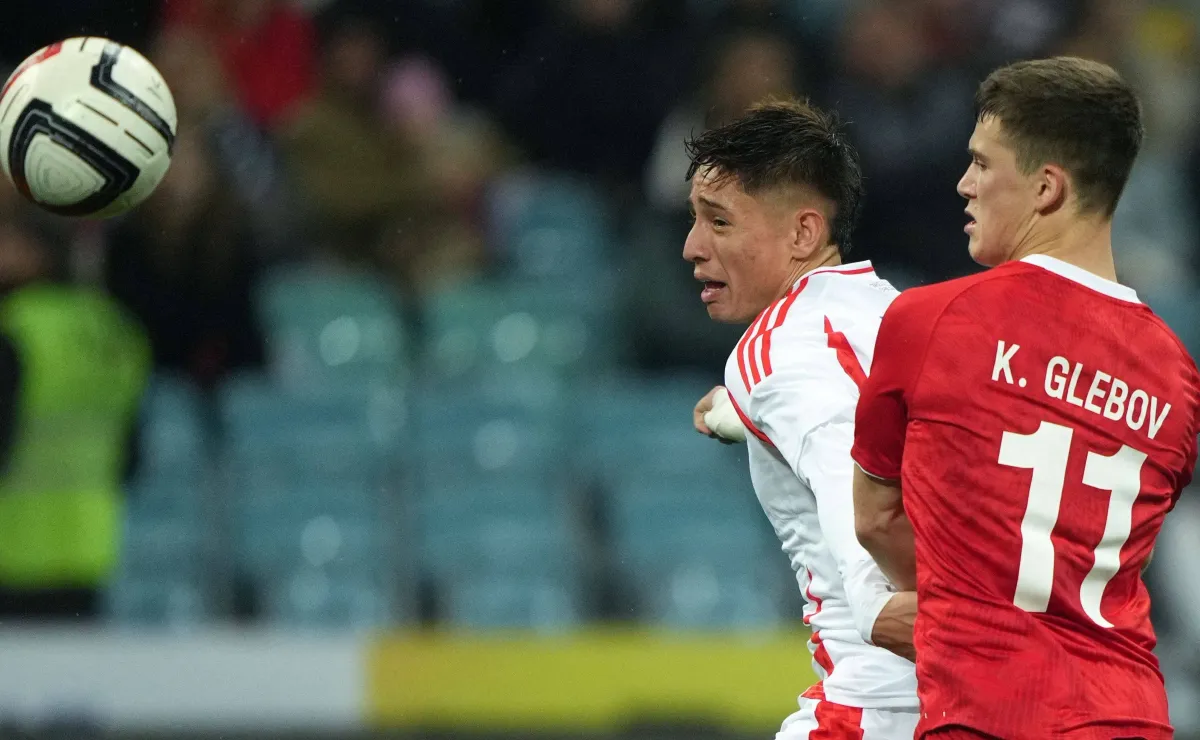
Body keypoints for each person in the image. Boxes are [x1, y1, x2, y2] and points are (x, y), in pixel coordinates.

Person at [851, 57, 1199, 740]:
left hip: (987, 713)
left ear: (1046, 188)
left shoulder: (930, 320)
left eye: (983, 163)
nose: (964, 184)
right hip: (1130, 717)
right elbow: (1103, 558)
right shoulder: (1177, 375)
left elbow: (874, 520)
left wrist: (959, 607)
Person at [685, 99, 919, 738]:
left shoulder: (774, 352)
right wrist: (733, 411)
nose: (692, 247)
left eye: (719, 222)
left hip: (876, 707)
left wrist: (880, 609)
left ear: (803, 234)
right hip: (974, 703)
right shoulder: (897, 314)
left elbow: (856, 485)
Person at [0, 207, 149, 620]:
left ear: (36, 252)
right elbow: (132, 455)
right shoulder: (116, 329)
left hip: (12, 547)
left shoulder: (15, 331)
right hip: (92, 548)